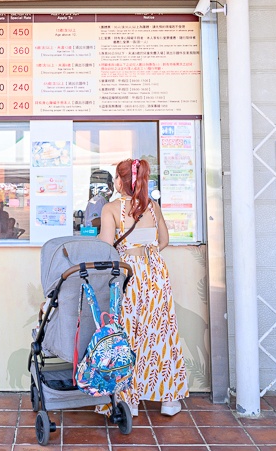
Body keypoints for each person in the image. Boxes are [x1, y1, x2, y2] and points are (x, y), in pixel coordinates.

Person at [97, 158, 188, 417]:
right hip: (156, 275)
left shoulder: (111, 209)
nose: (114, 181)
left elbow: (105, 247)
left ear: (121, 181)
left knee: (127, 334)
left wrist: (128, 255)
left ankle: (130, 401)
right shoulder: (153, 206)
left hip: (128, 276)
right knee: (160, 332)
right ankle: (169, 400)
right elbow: (164, 239)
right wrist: (149, 256)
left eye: (116, 177)